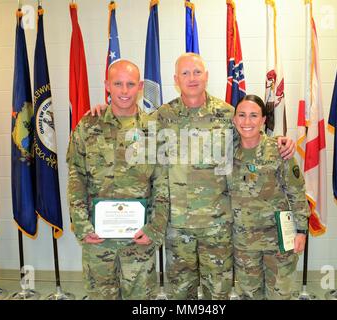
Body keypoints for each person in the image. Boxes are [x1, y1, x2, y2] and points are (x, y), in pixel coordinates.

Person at [90, 53, 296, 300]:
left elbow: (251, 134)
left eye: (197, 72)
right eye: (185, 73)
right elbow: (127, 123)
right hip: (177, 228)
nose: (192, 78)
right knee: (180, 294)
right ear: (176, 79)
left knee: (217, 293)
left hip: (217, 226)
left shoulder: (227, 114)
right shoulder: (161, 116)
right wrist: (103, 110)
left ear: (206, 76)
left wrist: (281, 142)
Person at [67, 59, 169, 300]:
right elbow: (76, 180)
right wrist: (82, 228)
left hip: (139, 241)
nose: (124, 91)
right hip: (98, 240)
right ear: (107, 85)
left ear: (140, 86)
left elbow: (162, 185)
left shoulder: (154, 129)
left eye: (131, 84)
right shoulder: (88, 125)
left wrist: (154, 229)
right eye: (118, 83)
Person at [228, 94, 309, 300]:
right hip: (244, 241)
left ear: (264, 120)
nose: (247, 122)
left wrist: (301, 231)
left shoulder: (279, 149)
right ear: (234, 119)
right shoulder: (226, 153)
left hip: (278, 241)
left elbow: (297, 192)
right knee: (249, 295)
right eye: (242, 115)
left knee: (280, 295)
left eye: (254, 115)